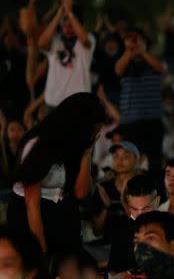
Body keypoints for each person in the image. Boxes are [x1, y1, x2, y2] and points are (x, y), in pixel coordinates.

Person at [8, 92, 107, 253]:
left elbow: (81, 192)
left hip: (60, 207)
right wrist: (41, 255)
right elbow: (32, 207)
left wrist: (87, 153)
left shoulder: (77, 142)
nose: (93, 136)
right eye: (92, 131)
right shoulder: (36, 144)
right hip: (29, 213)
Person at [114, 28, 167, 171]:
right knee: (130, 162)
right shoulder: (124, 60)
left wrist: (142, 52)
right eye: (130, 39)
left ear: (145, 42)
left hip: (153, 120)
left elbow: (161, 69)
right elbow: (118, 70)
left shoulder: (154, 59)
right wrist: (129, 51)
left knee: (154, 162)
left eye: (137, 39)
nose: (133, 43)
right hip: (131, 122)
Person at [36, 0, 95, 109]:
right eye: (64, 20)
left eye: (69, 20)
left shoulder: (89, 38)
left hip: (79, 103)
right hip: (54, 103)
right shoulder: (55, 41)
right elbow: (41, 43)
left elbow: (84, 40)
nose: (66, 23)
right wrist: (59, 14)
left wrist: (69, 12)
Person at [90, 140, 140, 240]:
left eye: (126, 156)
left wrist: (124, 204)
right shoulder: (103, 188)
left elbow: (143, 225)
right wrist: (106, 207)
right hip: (108, 246)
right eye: (115, 156)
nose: (119, 161)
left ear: (136, 160)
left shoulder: (143, 186)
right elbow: (97, 231)